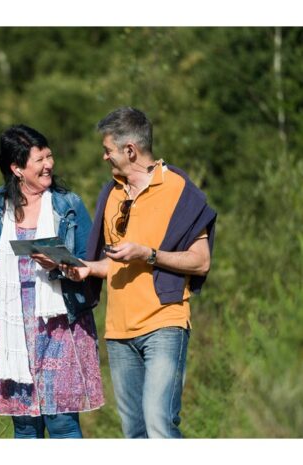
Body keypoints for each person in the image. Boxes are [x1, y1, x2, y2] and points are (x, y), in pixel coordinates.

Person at [60, 107, 216, 438]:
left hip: (164, 323)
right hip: (118, 333)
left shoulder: (178, 189)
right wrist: (87, 269)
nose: (104, 157)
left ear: (130, 150)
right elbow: (112, 265)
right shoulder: (111, 194)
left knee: (159, 422)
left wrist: (149, 254)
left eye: (108, 150)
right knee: (135, 433)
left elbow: (201, 261)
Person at [0, 124, 104, 439]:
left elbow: (88, 262)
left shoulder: (68, 203)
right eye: (40, 159)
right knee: (25, 424)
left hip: (61, 326)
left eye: (50, 156)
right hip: (12, 325)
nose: (49, 165)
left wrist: (61, 265)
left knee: (62, 422)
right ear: (17, 168)